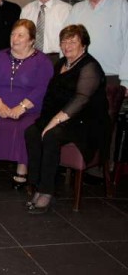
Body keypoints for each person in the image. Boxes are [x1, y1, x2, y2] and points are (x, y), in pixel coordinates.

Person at [25, 24, 108, 213]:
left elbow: (81, 99)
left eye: (73, 41)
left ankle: (47, 192)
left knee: (51, 136)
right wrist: (45, 119)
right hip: (60, 115)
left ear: (84, 44)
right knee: (31, 132)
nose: (67, 45)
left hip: (85, 120)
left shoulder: (90, 66)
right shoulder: (60, 63)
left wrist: (53, 122)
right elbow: (52, 95)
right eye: (64, 41)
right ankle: (37, 185)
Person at [0, 19, 53, 192]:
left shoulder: (42, 61)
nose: (15, 38)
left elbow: (42, 88)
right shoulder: (0, 56)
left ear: (31, 40)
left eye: (20, 35)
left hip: (29, 108)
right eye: (13, 34)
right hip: (1, 106)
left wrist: (22, 107)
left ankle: (22, 171)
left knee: (24, 127)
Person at [65, 0, 128, 93]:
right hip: (82, 76)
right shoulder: (77, 9)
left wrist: (126, 81)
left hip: (112, 78)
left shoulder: (120, 5)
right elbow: (66, 42)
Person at [20, 0, 71, 64]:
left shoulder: (66, 10)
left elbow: (70, 39)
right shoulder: (26, 10)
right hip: (30, 58)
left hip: (56, 59)